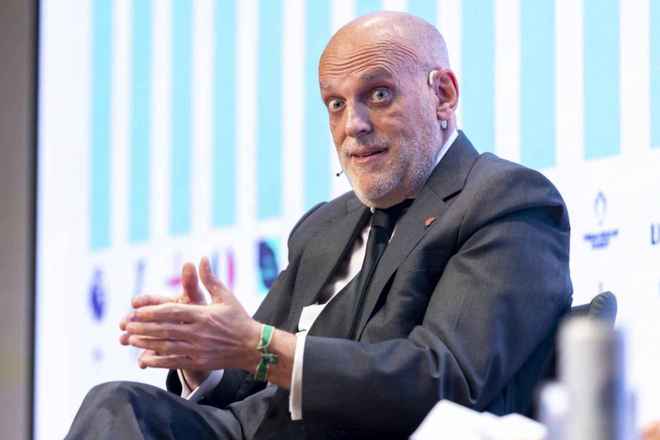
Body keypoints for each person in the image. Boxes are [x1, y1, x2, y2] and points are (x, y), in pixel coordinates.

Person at [66, 11, 572, 440]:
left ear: (442, 94)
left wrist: (257, 347)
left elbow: (446, 382)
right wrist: (207, 361)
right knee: (119, 406)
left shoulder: (505, 201)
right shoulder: (325, 226)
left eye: (379, 94)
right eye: (336, 104)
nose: (353, 125)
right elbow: (250, 381)